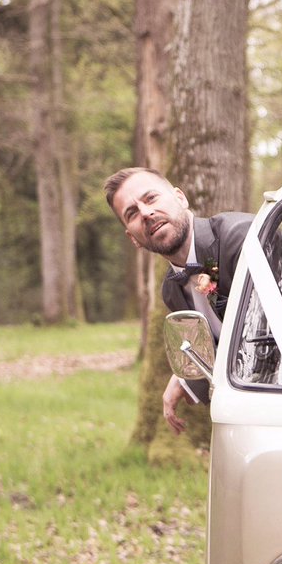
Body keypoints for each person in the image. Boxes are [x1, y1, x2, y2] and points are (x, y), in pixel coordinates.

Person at [104, 167, 253, 435]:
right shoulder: (171, 291)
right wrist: (186, 380)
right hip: (241, 418)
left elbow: (263, 342)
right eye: (132, 213)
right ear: (133, 238)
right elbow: (209, 353)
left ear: (180, 198)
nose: (146, 213)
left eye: (151, 198)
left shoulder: (240, 239)